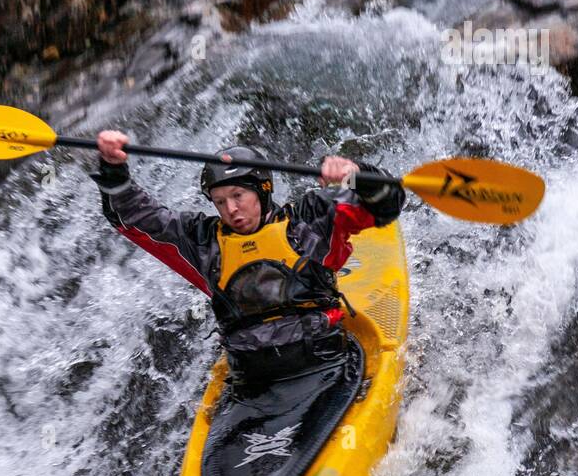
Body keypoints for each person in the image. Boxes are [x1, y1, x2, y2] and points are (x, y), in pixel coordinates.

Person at [92, 129, 405, 388]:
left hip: (323, 362)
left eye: (238, 196)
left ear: (263, 189)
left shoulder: (311, 220)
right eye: (220, 201)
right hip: (252, 380)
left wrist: (357, 175)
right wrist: (113, 167)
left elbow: (386, 204)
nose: (231, 210)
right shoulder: (203, 242)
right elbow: (132, 215)